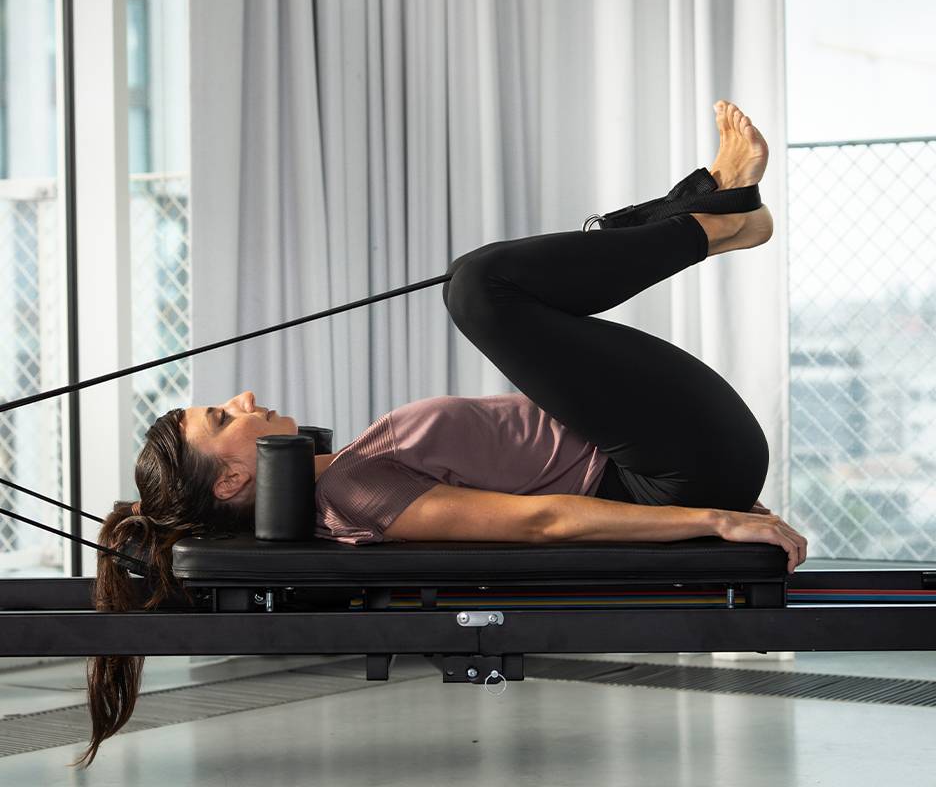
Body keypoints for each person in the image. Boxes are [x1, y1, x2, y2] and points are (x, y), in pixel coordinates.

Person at [73, 98, 806, 767]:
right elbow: (543, 522)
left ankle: (715, 210)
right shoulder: (355, 491)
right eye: (222, 418)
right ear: (233, 478)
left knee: (485, 288)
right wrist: (712, 519)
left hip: (665, 452)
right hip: (669, 467)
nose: (243, 399)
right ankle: (715, 213)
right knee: (478, 289)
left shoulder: (346, 469)